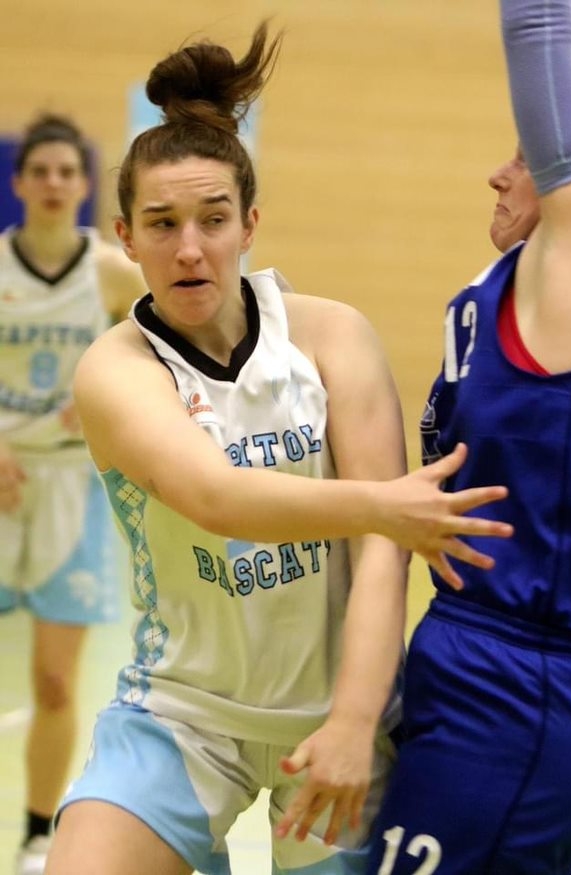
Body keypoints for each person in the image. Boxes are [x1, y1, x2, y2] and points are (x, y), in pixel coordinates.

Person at [43, 21, 512, 875]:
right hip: (183, 713)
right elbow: (216, 496)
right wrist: (385, 503)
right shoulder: (115, 368)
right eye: (162, 223)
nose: (190, 247)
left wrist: (356, 722)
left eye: (213, 219)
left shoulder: (332, 337)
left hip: (334, 712)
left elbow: (381, 554)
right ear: (125, 236)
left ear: (250, 224)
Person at [360, 1, 571, 873]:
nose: (501, 172)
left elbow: (539, 32)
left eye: (528, 153)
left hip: (517, 685)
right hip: (523, 672)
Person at [0, 112, 148, 875]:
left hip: (69, 485)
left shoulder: (110, 273)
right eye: (41, 171)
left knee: (56, 679)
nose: (54, 183)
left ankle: (35, 834)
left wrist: (104, 398)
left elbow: (161, 348)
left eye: (67, 171)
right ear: (20, 182)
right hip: (2, 476)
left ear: (86, 185)